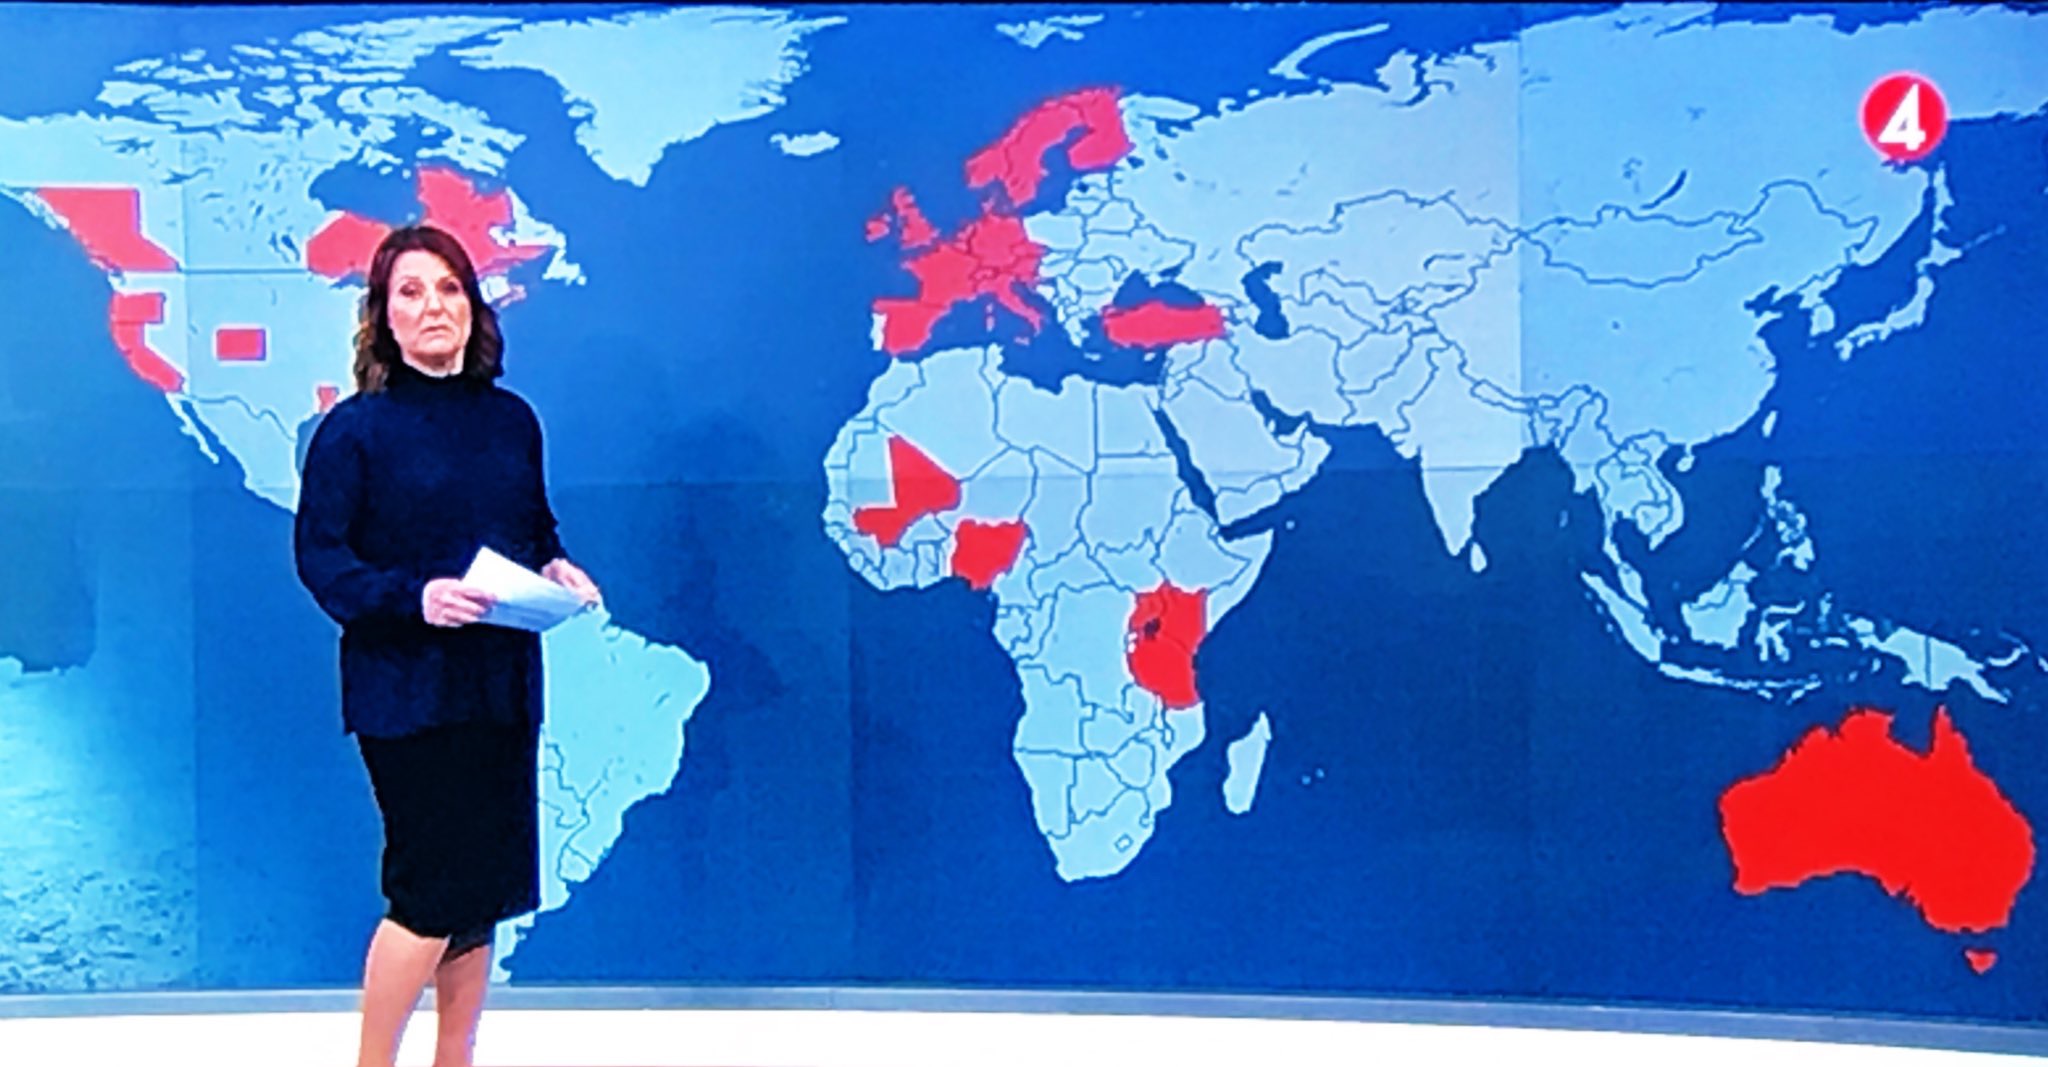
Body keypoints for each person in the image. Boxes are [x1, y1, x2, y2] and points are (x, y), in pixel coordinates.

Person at [293, 223, 600, 1067]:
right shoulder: (353, 432)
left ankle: (453, 1058)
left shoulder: (512, 421)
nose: (433, 305)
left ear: (473, 305)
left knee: (481, 893)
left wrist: (557, 567)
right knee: (428, 891)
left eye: (449, 288)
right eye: (411, 291)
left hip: (499, 685)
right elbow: (322, 559)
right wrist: (414, 597)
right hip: (406, 692)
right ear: (383, 318)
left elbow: (533, 529)